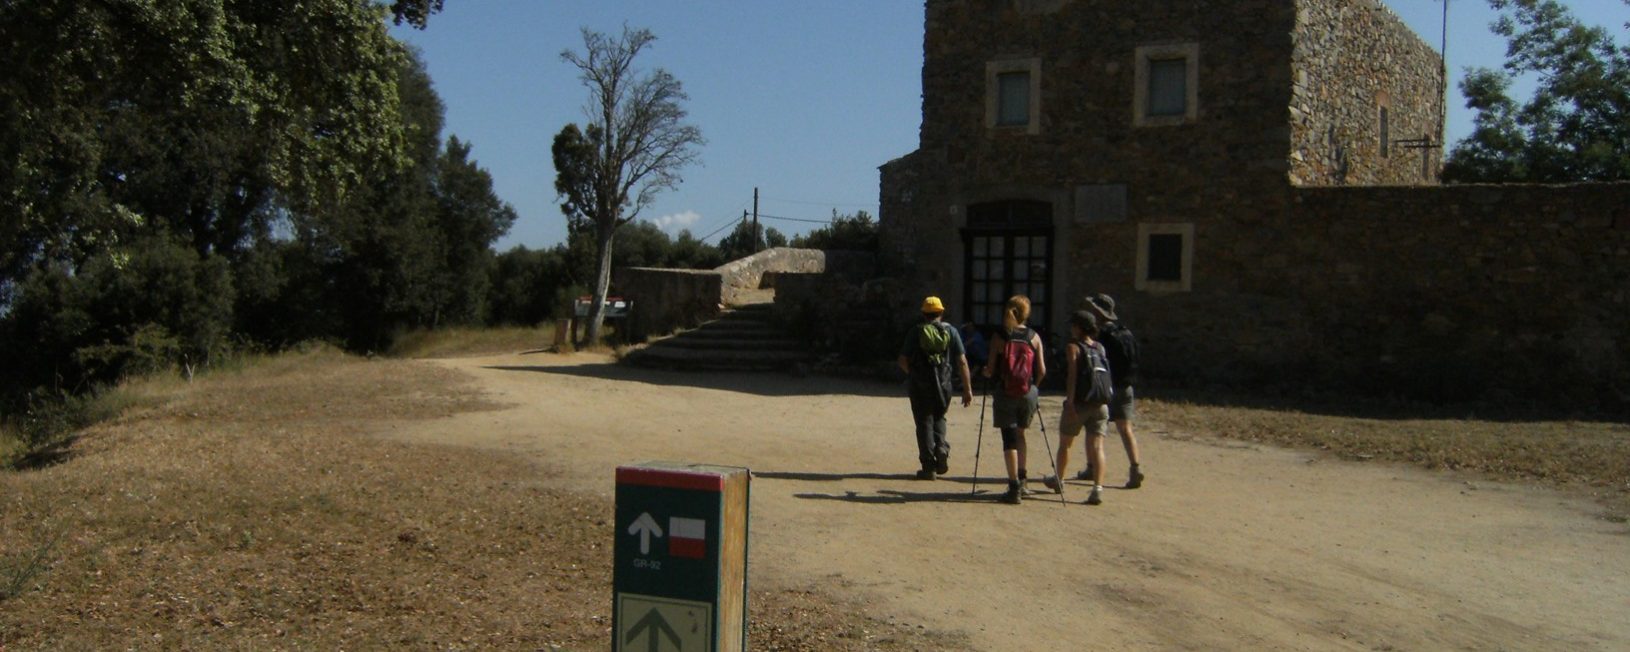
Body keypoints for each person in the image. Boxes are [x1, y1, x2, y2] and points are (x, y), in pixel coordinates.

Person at [897, 296, 974, 480]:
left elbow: (902, 360)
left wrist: (913, 374)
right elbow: (962, 361)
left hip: (920, 384)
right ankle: (941, 448)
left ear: (924, 314)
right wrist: (967, 389)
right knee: (940, 416)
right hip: (945, 384)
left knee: (924, 422)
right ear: (941, 313)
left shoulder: (916, 332)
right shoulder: (952, 332)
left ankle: (928, 466)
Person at [1076, 293, 1144, 489]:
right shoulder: (1125, 332)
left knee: (1094, 430)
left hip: (1104, 387)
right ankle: (1135, 468)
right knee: (1126, 429)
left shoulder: (1100, 336)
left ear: (1098, 312)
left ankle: (1091, 467)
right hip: (1125, 386)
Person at [1043, 311, 1111, 505]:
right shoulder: (1100, 348)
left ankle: (1059, 479)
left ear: (1079, 327)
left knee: (1065, 443)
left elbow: (1072, 376)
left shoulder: (1074, 347)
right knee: (1097, 446)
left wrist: (1070, 401)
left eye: (1073, 325)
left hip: (1080, 403)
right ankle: (1098, 488)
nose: (1071, 328)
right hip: (1100, 404)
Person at [982, 295, 1045, 504]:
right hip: (1027, 392)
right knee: (1021, 435)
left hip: (1005, 392)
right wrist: (1033, 387)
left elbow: (991, 369)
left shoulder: (1000, 336)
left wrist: (986, 373)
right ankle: (1024, 478)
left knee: (1008, 439)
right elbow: (1042, 370)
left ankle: (1013, 486)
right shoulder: (1034, 337)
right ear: (1027, 313)